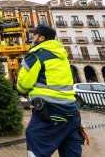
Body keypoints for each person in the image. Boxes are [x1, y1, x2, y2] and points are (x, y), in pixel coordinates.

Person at [17, 24, 83, 157]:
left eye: (34, 35)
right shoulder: (62, 55)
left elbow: (23, 84)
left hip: (50, 112)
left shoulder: (36, 55)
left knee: (34, 141)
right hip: (72, 112)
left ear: (41, 38)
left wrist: (22, 90)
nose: (32, 37)